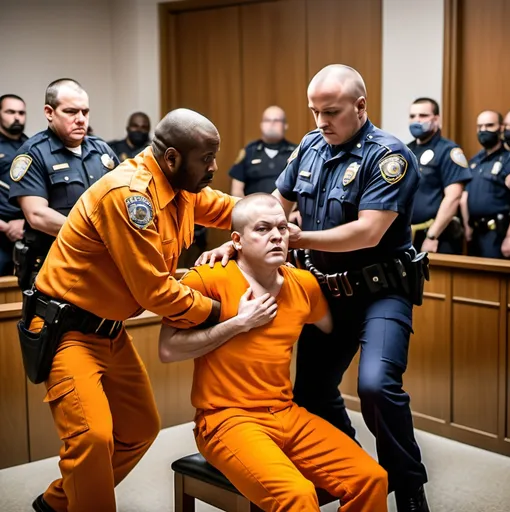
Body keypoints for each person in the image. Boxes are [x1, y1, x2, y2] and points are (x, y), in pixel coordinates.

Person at [197, 64, 431, 512]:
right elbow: (272, 206)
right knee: (311, 392)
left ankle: (409, 488)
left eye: (331, 112)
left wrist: (298, 238)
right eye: (314, 112)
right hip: (326, 291)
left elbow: (368, 232)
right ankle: (356, 466)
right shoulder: (309, 146)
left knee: (377, 385)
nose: (321, 122)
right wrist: (241, 242)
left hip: (380, 291)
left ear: (360, 107)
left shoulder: (390, 156)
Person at [22, 108, 237, 512]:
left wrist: (273, 220)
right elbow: (156, 293)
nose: (214, 166)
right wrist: (224, 311)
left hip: (110, 330)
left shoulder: (181, 186)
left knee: (139, 428)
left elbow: (229, 208)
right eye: (206, 158)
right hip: (67, 329)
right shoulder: (130, 196)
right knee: (93, 436)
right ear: (172, 158)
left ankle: (56, 503)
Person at [160, 193, 388, 512]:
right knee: (297, 496)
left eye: (282, 227)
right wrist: (238, 323)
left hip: (286, 412)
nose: (276, 236)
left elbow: (331, 327)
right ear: (236, 240)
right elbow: (167, 349)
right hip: (226, 419)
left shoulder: (303, 285)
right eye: (263, 229)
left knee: (371, 478)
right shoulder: (208, 278)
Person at [8, 78, 119, 290]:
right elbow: (37, 215)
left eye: (85, 112)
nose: (80, 119)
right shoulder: (33, 153)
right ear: (49, 112)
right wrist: (94, 235)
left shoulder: (102, 150)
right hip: (55, 268)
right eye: (71, 112)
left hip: (102, 268)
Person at [407, 98, 472, 254]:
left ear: (436, 119)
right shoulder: (406, 151)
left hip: (438, 237)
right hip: (408, 237)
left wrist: (432, 236)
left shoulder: (448, 151)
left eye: (423, 115)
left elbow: (453, 197)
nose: (417, 120)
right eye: (412, 116)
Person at [460, 110, 510, 258]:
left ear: (501, 128)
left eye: (489, 125)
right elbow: (465, 196)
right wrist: (467, 225)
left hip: (498, 233)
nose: (483, 130)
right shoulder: (475, 160)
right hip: (474, 232)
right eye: (480, 126)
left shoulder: (509, 159)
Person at [229, 106, 296, 197]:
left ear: (285, 125)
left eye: (276, 120)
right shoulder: (249, 151)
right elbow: (237, 190)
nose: (272, 124)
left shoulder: (296, 153)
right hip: (252, 209)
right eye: (267, 120)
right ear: (261, 125)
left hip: (287, 210)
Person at [0, 94, 27, 275]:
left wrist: (24, 223)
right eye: (10, 112)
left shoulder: (32, 147)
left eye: (21, 112)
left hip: (27, 229)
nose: (17, 117)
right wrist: (4, 226)